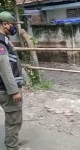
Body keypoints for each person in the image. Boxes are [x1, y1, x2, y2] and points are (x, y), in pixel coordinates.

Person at [0, 11, 28, 150]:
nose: (13, 27)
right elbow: (4, 68)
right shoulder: (0, 42)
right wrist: (14, 90)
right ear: (4, 24)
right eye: (12, 24)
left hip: (4, 88)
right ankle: (12, 147)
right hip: (6, 89)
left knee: (13, 118)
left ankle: (13, 141)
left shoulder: (4, 40)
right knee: (13, 120)